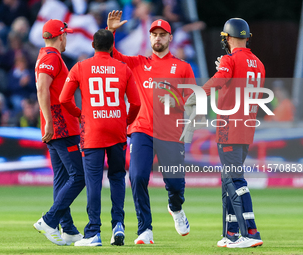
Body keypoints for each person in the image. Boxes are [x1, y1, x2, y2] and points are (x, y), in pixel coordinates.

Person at [107, 10, 196, 244]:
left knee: (175, 184)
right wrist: (111, 32)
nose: (157, 38)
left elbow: (193, 100)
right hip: (141, 130)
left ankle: (175, 208)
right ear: (150, 38)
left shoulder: (183, 68)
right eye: (154, 34)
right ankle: (145, 229)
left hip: (171, 133)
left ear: (170, 38)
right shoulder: (138, 64)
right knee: (136, 177)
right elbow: (111, 55)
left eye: (162, 34)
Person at [59, 28, 141, 246]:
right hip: (117, 130)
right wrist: (125, 121)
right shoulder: (123, 68)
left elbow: (64, 99)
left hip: (92, 130)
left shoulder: (80, 67)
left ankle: (93, 231)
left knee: (93, 180)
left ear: (93, 45)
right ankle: (118, 225)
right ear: (112, 46)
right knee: (116, 177)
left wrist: (80, 114)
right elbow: (136, 103)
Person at [200, 18, 265, 248]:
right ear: (247, 37)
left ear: (227, 38)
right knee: (228, 180)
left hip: (229, 128)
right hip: (247, 130)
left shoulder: (229, 59)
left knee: (234, 180)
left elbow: (221, 80)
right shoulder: (258, 63)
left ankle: (251, 233)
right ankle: (231, 233)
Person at [33, 19, 85, 246]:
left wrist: (47, 122)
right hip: (61, 126)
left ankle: (70, 230)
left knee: (62, 178)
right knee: (79, 177)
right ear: (61, 36)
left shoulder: (43, 56)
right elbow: (42, 88)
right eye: (66, 35)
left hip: (57, 125)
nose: (67, 39)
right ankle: (49, 220)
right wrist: (50, 122)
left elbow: (44, 88)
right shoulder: (52, 58)